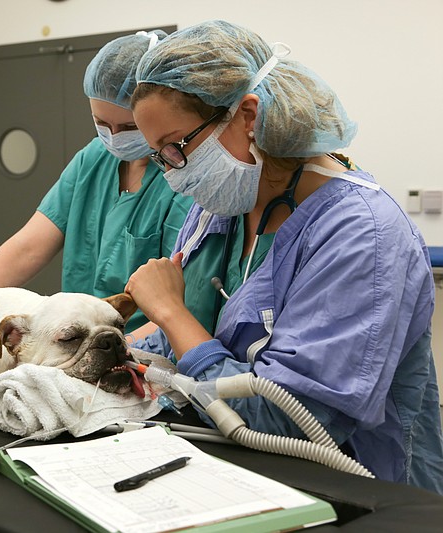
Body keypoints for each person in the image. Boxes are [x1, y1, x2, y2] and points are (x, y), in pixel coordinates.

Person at [125, 20, 443, 493]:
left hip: (359, 493)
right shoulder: (223, 208)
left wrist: (170, 312)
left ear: (248, 116)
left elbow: (293, 421)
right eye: (158, 155)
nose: (172, 172)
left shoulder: (363, 236)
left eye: (176, 147)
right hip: (236, 474)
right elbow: (182, 349)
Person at [0, 30, 193, 332]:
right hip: (75, 337)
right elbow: (29, 246)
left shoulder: (183, 178)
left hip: (144, 347)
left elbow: (185, 306)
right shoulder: (94, 158)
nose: (113, 136)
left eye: (129, 126)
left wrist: (119, 353)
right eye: (102, 123)